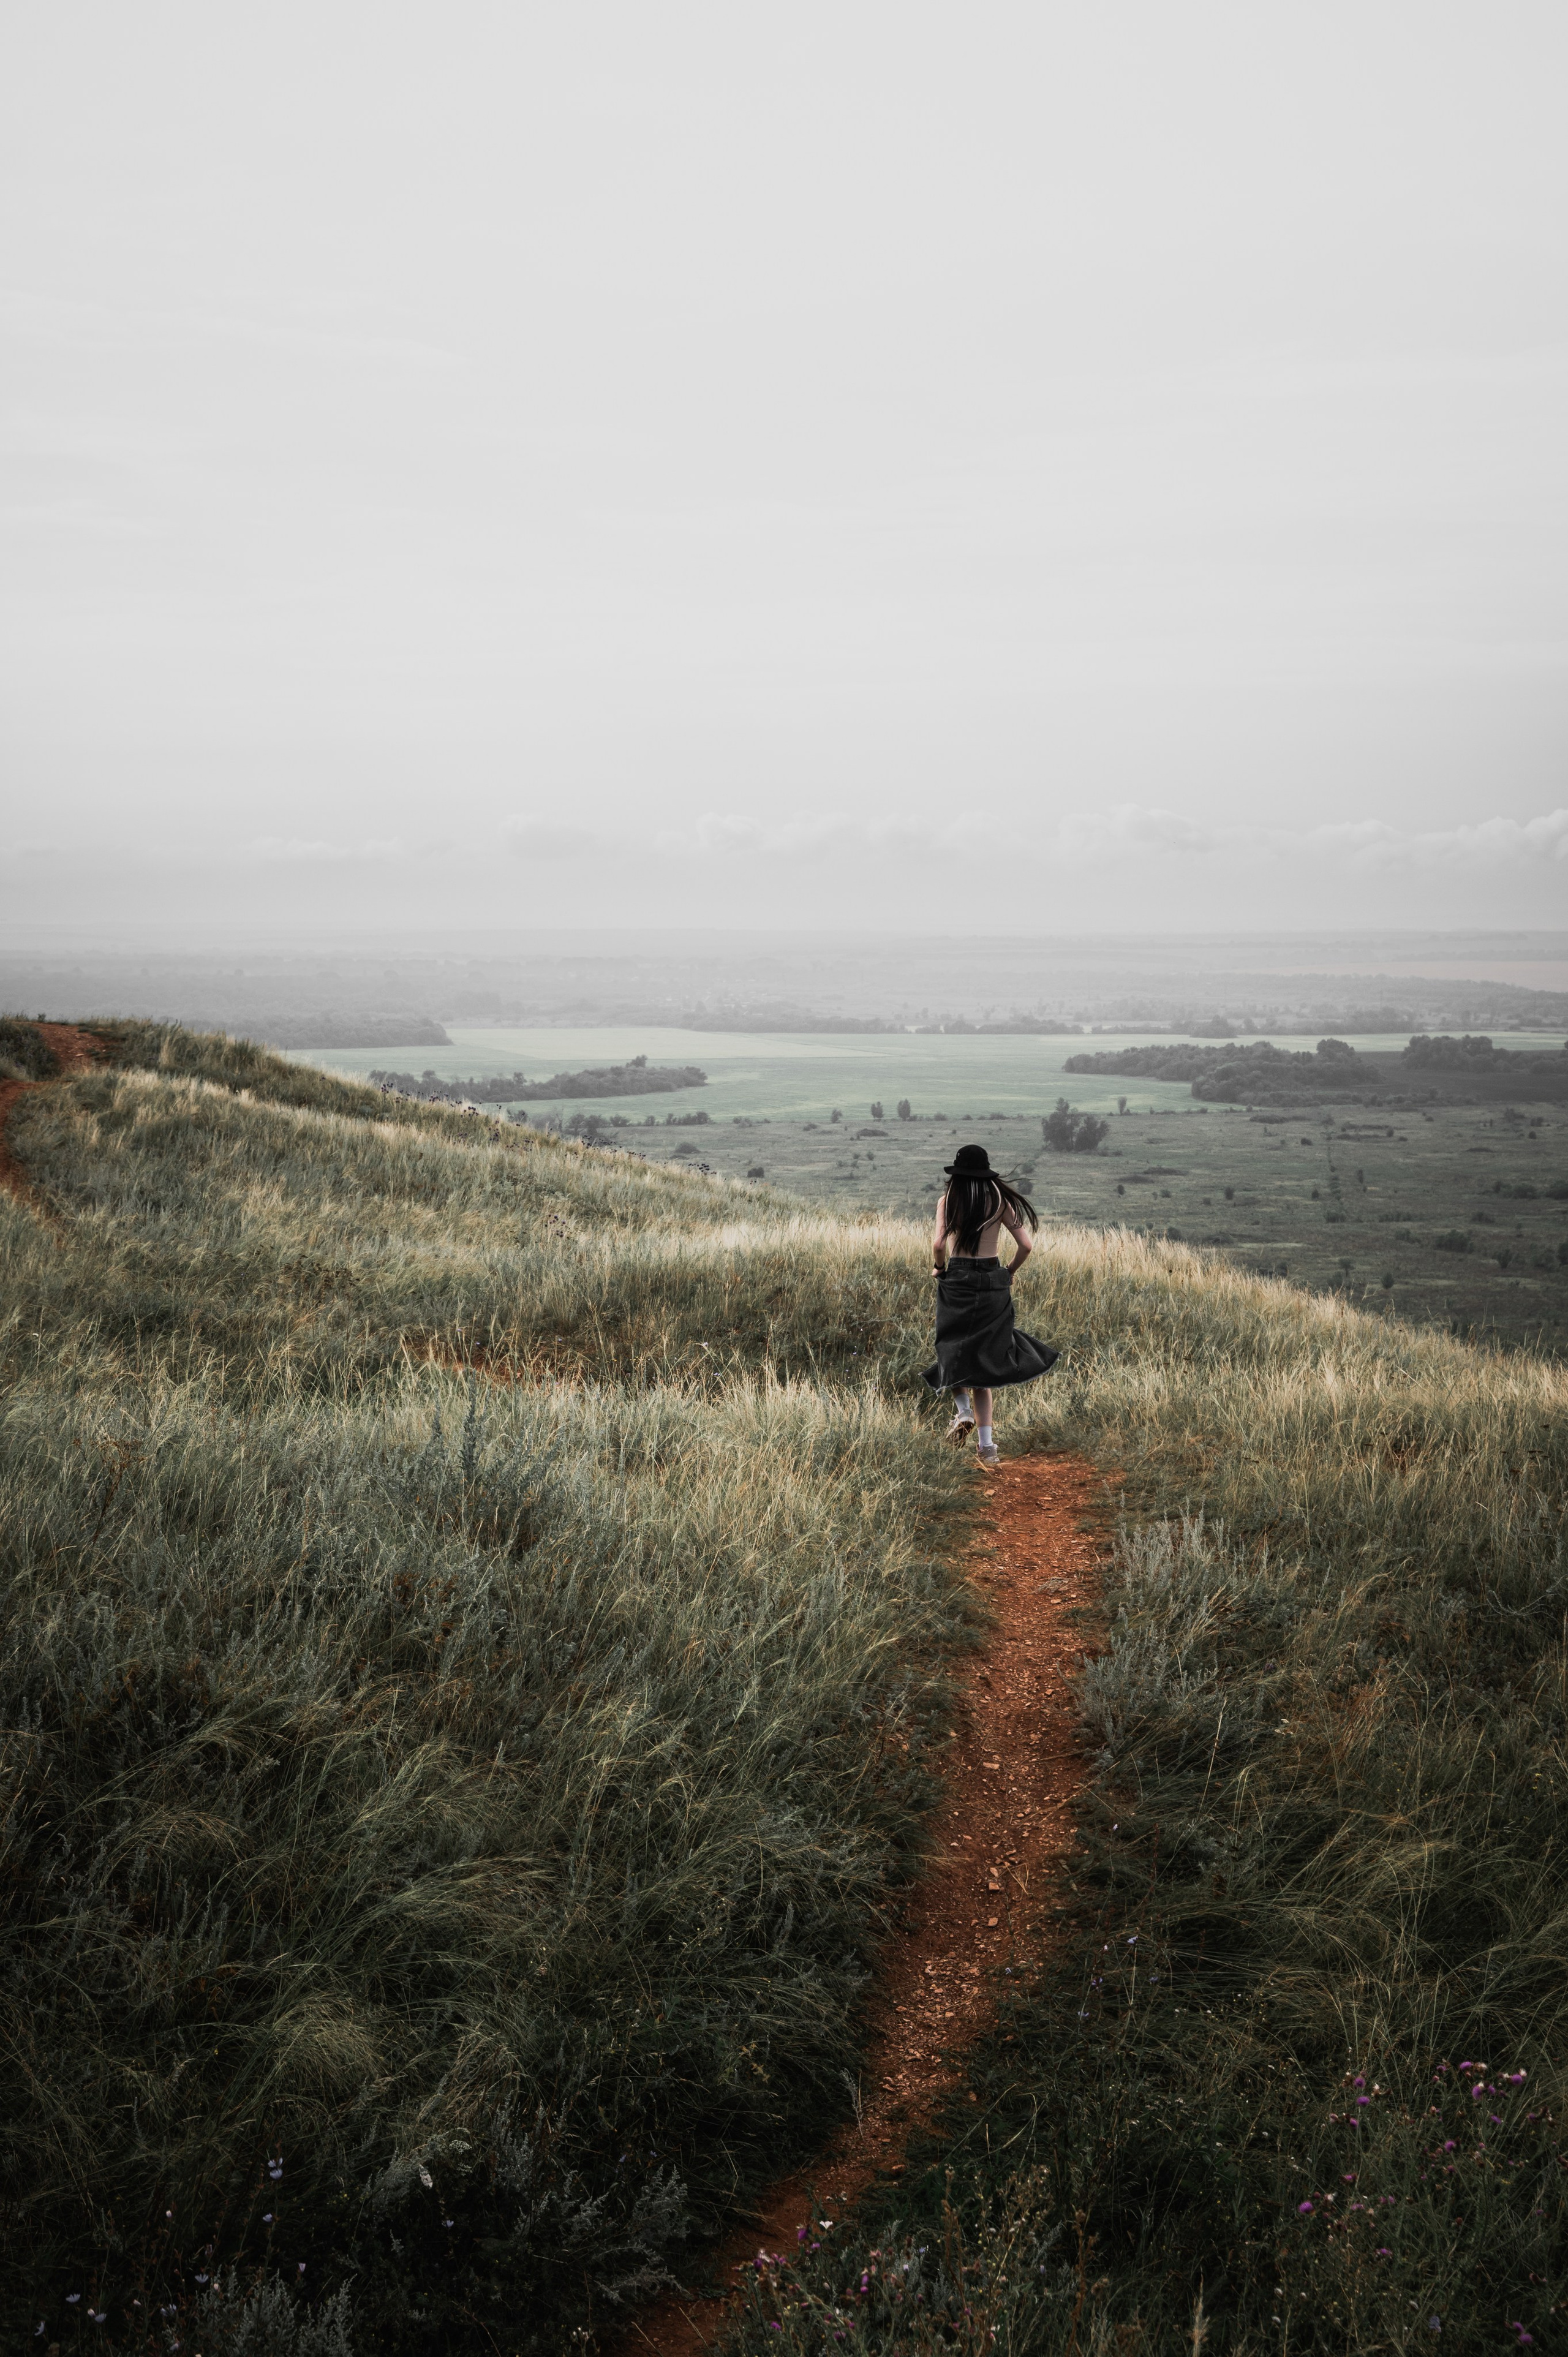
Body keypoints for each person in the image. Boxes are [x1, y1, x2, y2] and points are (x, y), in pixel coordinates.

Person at [924, 1143, 1058, 1466]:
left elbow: (939, 1244)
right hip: (992, 1281)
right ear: (986, 1173)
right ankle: (988, 1449)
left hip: (958, 1279)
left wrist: (940, 1268)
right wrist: (1008, 1272)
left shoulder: (948, 1200)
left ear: (957, 1173)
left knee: (950, 1348)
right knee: (983, 1365)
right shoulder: (1000, 1200)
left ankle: (964, 1413)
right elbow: (1026, 1245)